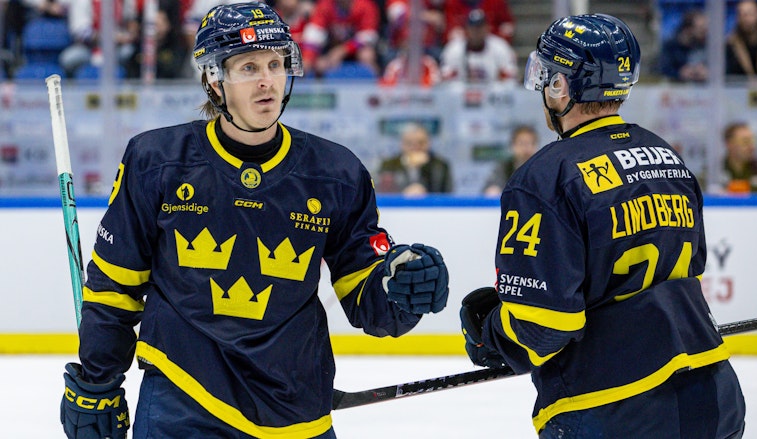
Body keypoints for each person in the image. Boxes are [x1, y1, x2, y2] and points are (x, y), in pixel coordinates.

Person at [59, 3, 450, 438]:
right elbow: (115, 284)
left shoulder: (335, 173)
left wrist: (401, 288)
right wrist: (97, 381)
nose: (267, 81)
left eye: (275, 64)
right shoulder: (158, 161)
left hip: (294, 408)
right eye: (248, 67)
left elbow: (370, 304)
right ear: (214, 79)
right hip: (182, 402)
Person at [459, 13, 746, 438]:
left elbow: (545, 325)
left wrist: (493, 334)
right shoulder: (666, 156)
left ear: (561, 86)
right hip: (715, 393)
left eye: (546, 75)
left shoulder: (545, 177)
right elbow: (689, 270)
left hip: (613, 405)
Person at [439, 8, 518, 83]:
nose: (476, 31)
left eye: (480, 27)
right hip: (461, 92)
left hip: (493, 91)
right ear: (466, 29)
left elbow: (510, 79)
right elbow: (446, 81)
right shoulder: (454, 49)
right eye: (472, 28)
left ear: (487, 28)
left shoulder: (500, 47)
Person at [376, 122, 453, 195]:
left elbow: (445, 194)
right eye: (409, 143)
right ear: (402, 144)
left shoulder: (440, 165)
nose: (415, 147)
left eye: (421, 143)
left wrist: (423, 167)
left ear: (428, 143)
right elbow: (382, 192)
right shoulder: (388, 165)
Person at [722, 121, 757, 193]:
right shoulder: (717, 169)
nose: (752, 147)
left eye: (752, 141)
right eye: (745, 142)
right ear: (730, 144)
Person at [482, 124, 538, 196]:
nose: (526, 149)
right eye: (522, 143)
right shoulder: (504, 168)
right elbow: (491, 188)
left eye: (531, 143)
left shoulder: (543, 169)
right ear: (513, 146)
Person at [658, 9, 709, 83]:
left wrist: (707, 72)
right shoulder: (670, 47)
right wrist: (679, 73)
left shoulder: (705, 46)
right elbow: (662, 70)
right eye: (701, 29)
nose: (705, 33)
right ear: (688, 30)